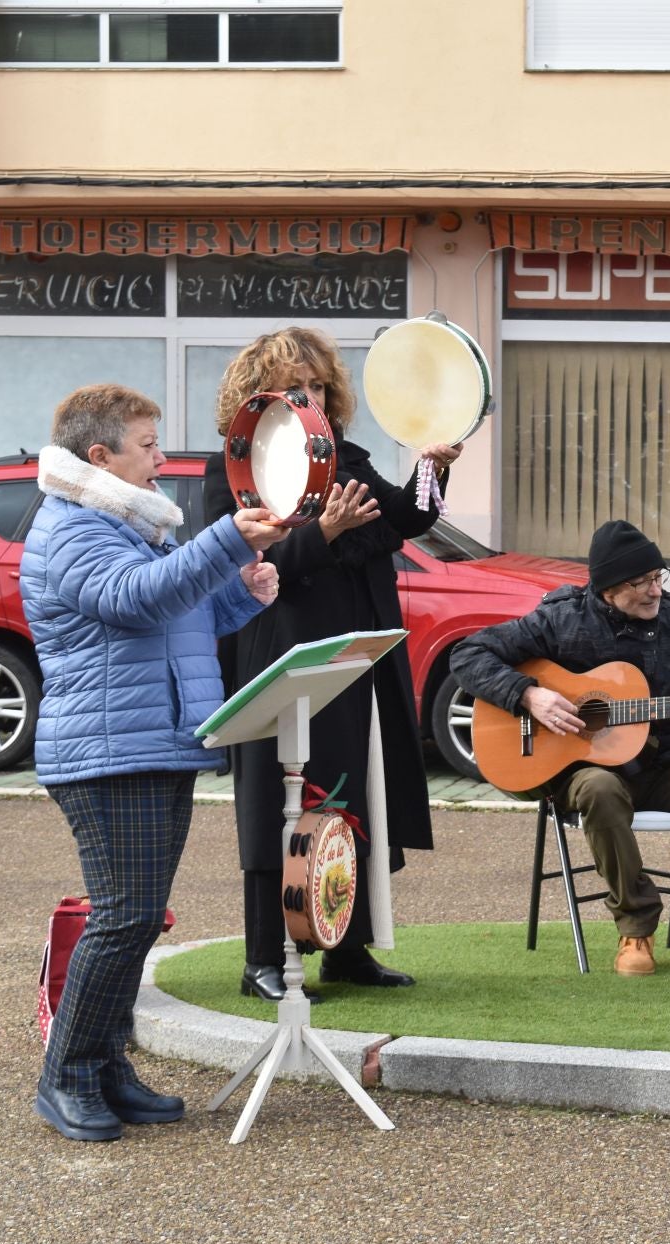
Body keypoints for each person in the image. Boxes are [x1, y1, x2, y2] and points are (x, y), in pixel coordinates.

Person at [23, 384, 285, 1140]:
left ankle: (106, 1068)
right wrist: (227, 541)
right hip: (109, 753)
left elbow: (175, 614)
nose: (162, 458)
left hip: (149, 742)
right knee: (124, 918)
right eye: (147, 444)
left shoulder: (125, 521)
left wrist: (240, 594)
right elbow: (134, 599)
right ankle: (66, 1076)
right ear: (99, 455)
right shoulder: (73, 527)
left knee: (135, 922)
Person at [205, 327, 460, 1000]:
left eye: (317, 385)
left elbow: (405, 518)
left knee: (355, 794)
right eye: (294, 386)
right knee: (278, 805)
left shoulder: (345, 456)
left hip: (356, 656)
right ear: (258, 394)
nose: (310, 396)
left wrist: (432, 466)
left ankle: (347, 950)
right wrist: (323, 533)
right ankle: (263, 959)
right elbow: (245, 570)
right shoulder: (234, 468)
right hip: (283, 657)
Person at [450, 519, 670, 976]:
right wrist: (529, 695)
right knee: (600, 789)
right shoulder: (561, 620)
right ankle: (636, 928)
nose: (654, 591)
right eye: (640, 582)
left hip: (663, 765)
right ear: (607, 589)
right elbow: (467, 654)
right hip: (583, 772)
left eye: (658, 577)